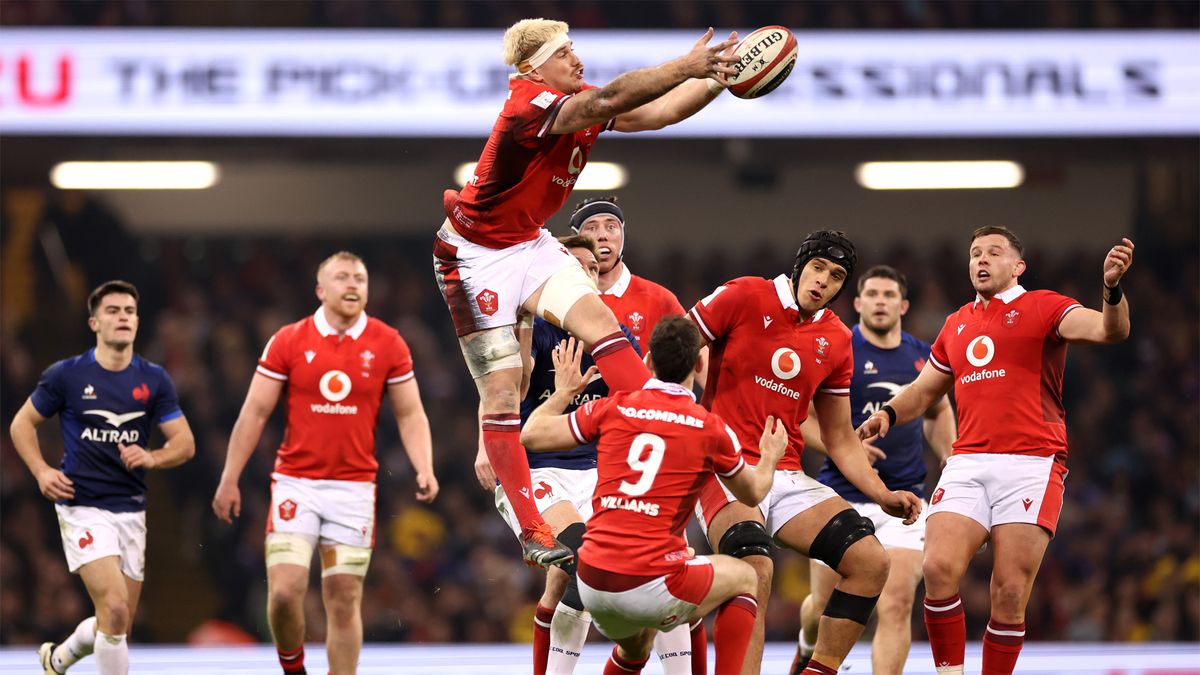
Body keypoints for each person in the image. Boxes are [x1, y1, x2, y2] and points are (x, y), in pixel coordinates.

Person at [433, 18, 740, 567]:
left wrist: (717, 77)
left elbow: (660, 112)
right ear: (534, 67)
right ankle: (532, 528)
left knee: (604, 327)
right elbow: (617, 95)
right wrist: (688, 64)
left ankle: (663, 420)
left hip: (526, 242)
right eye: (565, 52)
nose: (577, 59)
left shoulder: (575, 102)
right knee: (503, 394)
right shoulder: (530, 105)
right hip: (473, 257)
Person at [857, 227, 1134, 675]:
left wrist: (1111, 289)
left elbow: (1109, 330)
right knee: (939, 566)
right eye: (974, 254)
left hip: (1032, 462)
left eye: (993, 252)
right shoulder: (957, 322)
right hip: (968, 461)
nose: (981, 260)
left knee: (1008, 592)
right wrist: (886, 415)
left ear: (1017, 266)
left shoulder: (1044, 306)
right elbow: (924, 391)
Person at [687, 230, 923, 675]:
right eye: (817, 267)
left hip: (787, 474)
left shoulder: (836, 339)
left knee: (872, 562)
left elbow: (838, 437)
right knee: (753, 567)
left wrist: (881, 493)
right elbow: (675, 351)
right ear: (800, 265)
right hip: (725, 466)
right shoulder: (743, 294)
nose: (822, 281)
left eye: (835, 276)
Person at [520, 317, 788, 674]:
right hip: (650, 583)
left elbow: (531, 434)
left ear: (646, 361)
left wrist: (564, 394)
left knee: (636, 649)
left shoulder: (614, 408)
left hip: (594, 582)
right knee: (746, 576)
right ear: (699, 364)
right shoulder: (710, 428)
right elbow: (753, 493)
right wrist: (769, 457)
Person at [212, 252, 437, 675]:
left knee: (344, 596)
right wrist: (229, 478)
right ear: (321, 290)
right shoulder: (289, 340)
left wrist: (423, 466)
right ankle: (293, 668)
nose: (353, 285)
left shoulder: (387, 342)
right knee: (283, 593)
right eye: (342, 277)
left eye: (360, 278)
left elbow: (410, 413)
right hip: (296, 484)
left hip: (353, 489)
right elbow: (254, 413)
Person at [484, 235, 692, 674]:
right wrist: (562, 394)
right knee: (583, 562)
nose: (586, 277)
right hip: (537, 469)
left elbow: (638, 402)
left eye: (593, 270)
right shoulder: (531, 330)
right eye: (574, 268)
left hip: (600, 471)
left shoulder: (613, 338)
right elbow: (509, 394)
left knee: (662, 565)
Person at [9, 280, 195, 675]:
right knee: (113, 606)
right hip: (82, 505)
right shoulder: (67, 375)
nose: (123, 317)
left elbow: (185, 442)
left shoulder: (154, 380)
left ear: (138, 322)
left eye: (129, 311)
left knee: (117, 621)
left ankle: (58, 658)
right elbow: (21, 424)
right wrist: (41, 470)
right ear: (94, 323)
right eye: (113, 311)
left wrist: (153, 457)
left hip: (131, 509)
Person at [793, 265, 957, 675]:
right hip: (839, 495)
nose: (881, 301)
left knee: (897, 602)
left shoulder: (923, 356)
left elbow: (938, 411)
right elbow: (800, 415)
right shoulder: (836, 347)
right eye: (873, 294)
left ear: (902, 305)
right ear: (858, 302)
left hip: (905, 499)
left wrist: (949, 456)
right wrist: (846, 445)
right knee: (825, 609)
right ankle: (807, 644)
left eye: (889, 295)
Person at [569, 196, 687, 354]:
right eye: (591, 228)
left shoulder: (660, 301)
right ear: (576, 239)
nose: (602, 235)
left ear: (623, 236)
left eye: (611, 227)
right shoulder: (560, 301)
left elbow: (698, 360)